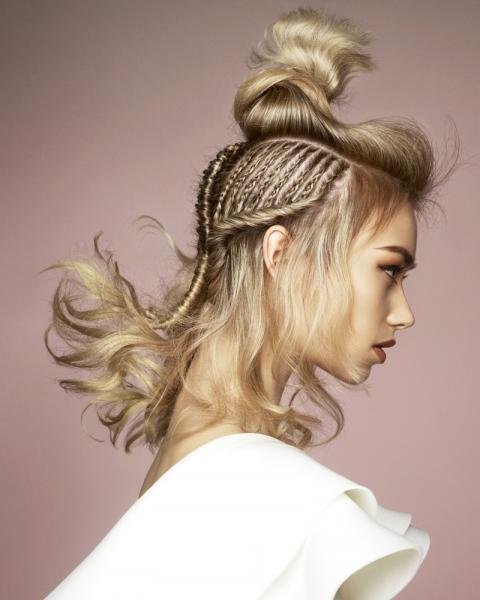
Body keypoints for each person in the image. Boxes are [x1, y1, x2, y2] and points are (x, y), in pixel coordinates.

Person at [42, 6, 460, 599]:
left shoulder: (193, 468)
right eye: (388, 270)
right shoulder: (279, 504)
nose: (404, 313)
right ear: (280, 253)